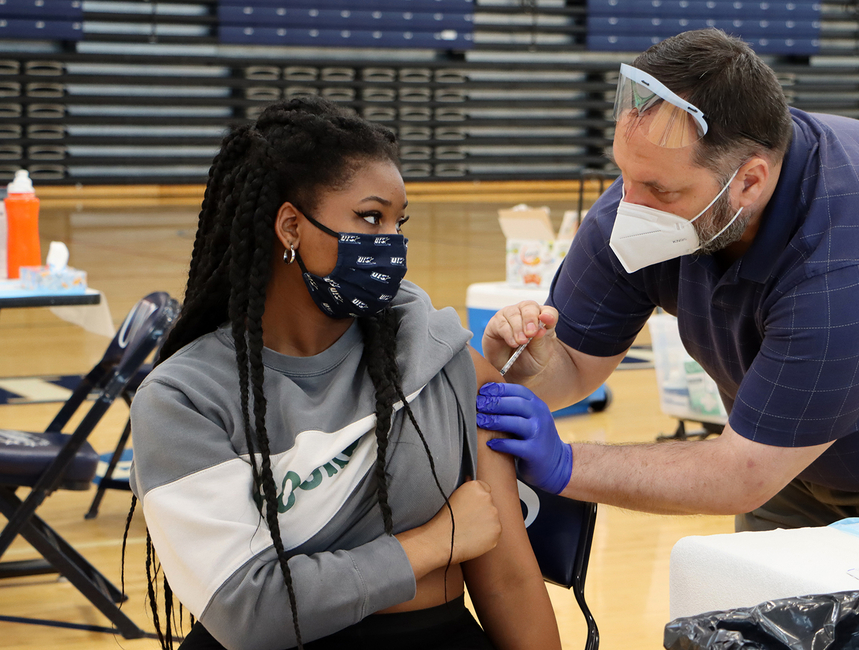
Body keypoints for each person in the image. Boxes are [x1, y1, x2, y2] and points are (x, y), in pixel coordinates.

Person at [476, 29, 859, 531]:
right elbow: (575, 370)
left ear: (749, 180)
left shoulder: (850, 262)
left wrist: (564, 464)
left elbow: (743, 473)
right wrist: (530, 364)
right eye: (625, 175)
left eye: (659, 189)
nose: (626, 205)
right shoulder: (649, 206)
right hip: (789, 453)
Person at [127, 97, 560, 650]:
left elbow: (508, 580)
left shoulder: (436, 356)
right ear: (290, 226)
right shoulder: (183, 399)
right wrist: (432, 544)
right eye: (370, 217)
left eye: (398, 222)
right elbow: (248, 609)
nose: (391, 244)